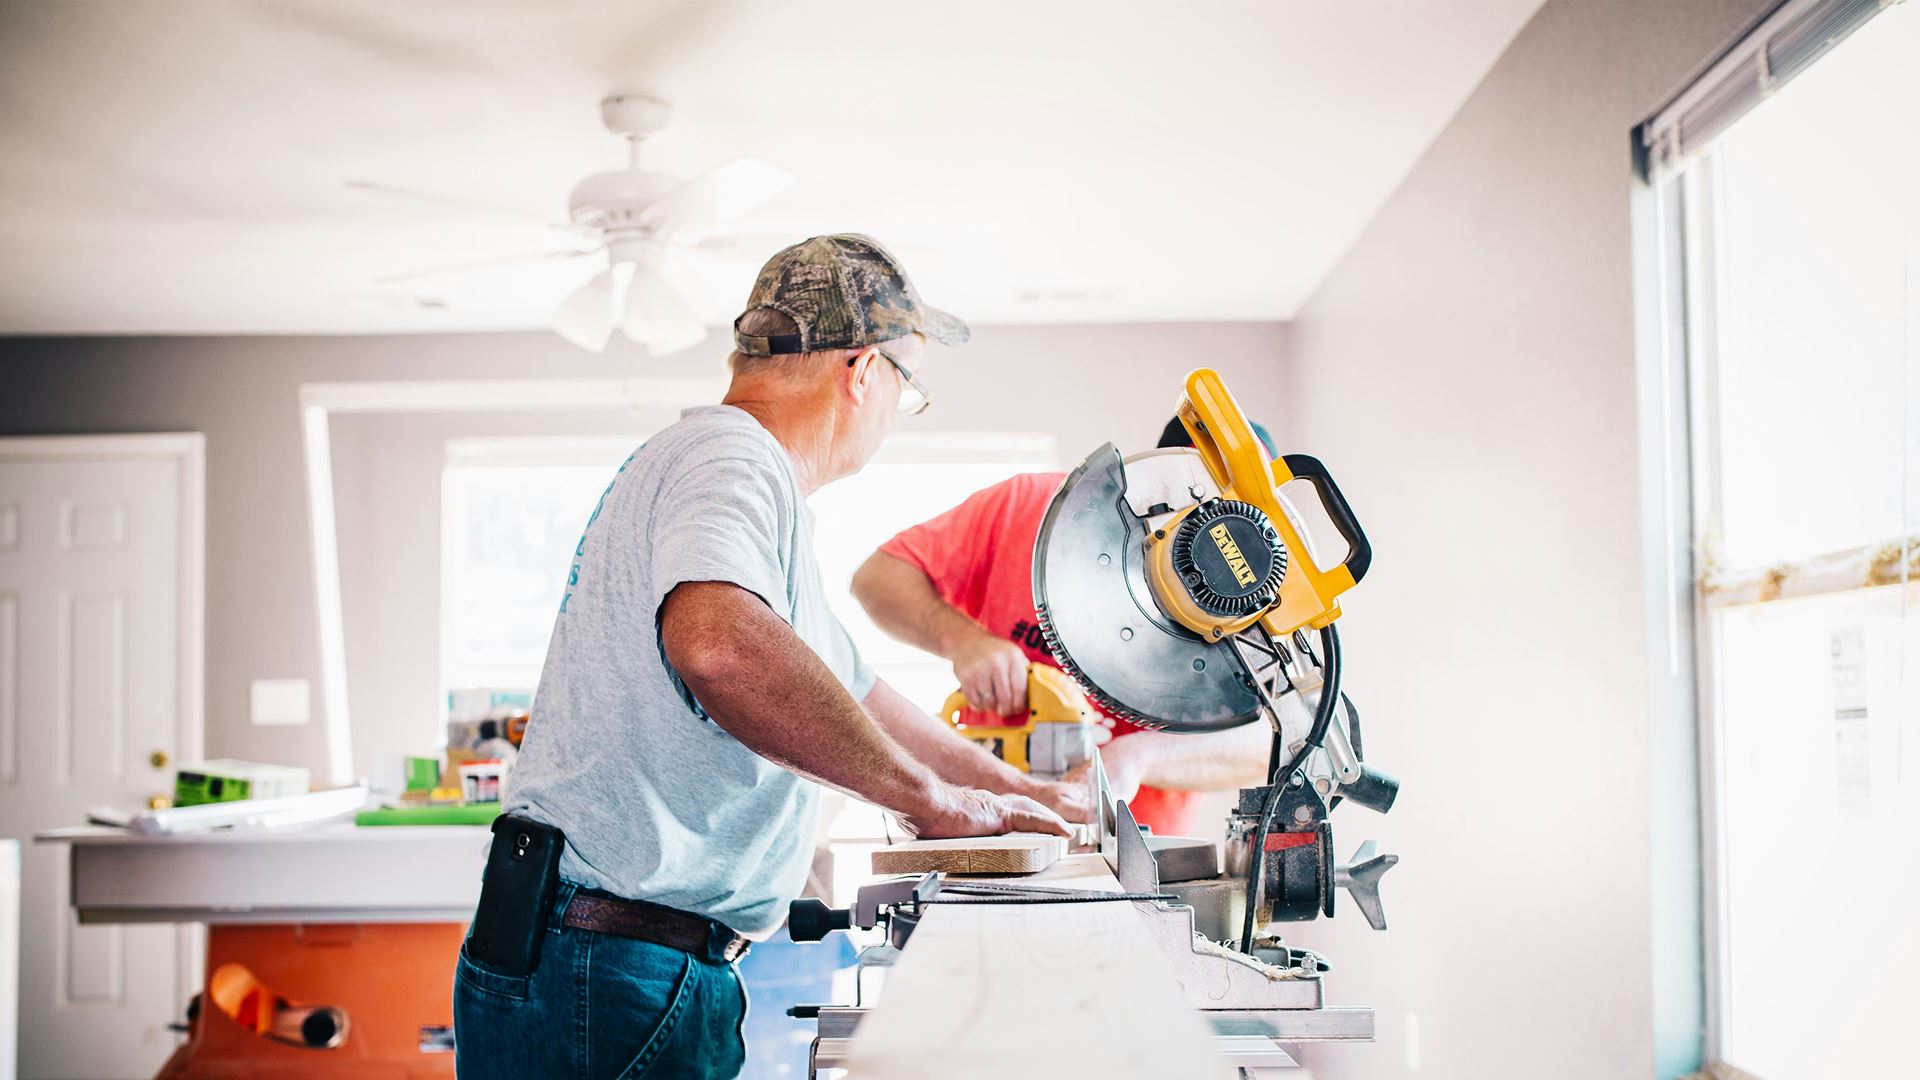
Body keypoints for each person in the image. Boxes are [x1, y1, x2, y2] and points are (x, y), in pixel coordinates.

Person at [453, 235, 1088, 1080]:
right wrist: (926, 799)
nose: (898, 409)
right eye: (909, 386)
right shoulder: (733, 458)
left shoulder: (738, 484)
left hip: (604, 954)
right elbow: (716, 647)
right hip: (610, 964)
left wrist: (1015, 793)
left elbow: (858, 692)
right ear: (863, 371)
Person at [850, 417, 1281, 837]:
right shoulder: (1028, 508)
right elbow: (877, 579)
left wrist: (1138, 756)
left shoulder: (1251, 601)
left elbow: (1273, 743)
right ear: (1151, 470)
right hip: (987, 824)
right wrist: (962, 639)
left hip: (1135, 852)